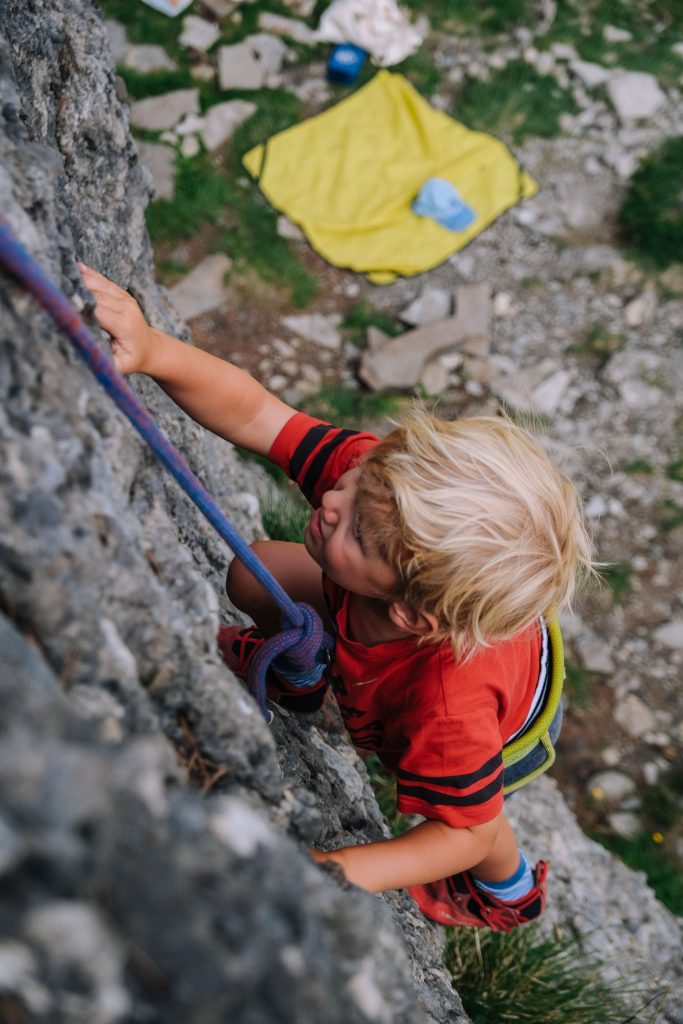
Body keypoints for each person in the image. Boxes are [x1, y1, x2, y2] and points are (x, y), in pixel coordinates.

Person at [79, 263, 594, 931]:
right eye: (358, 481)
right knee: (254, 571)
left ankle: (507, 895)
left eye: (355, 527)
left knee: (479, 817)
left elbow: (458, 834)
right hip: (420, 633)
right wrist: (151, 349)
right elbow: (262, 416)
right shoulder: (378, 494)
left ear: (409, 610)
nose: (331, 500)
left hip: (510, 722)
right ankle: (305, 670)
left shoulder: (446, 706)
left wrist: (333, 870)